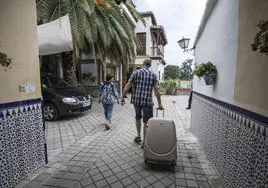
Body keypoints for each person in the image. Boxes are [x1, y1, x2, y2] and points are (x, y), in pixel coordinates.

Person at [121, 58, 163, 144]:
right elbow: (157, 90)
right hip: (147, 102)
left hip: (136, 101)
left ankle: (138, 136)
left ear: (143, 64)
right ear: (150, 65)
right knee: (147, 121)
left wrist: (123, 96)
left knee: (138, 118)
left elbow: (128, 85)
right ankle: (145, 141)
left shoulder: (135, 73)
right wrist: (160, 104)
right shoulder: (153, 75)